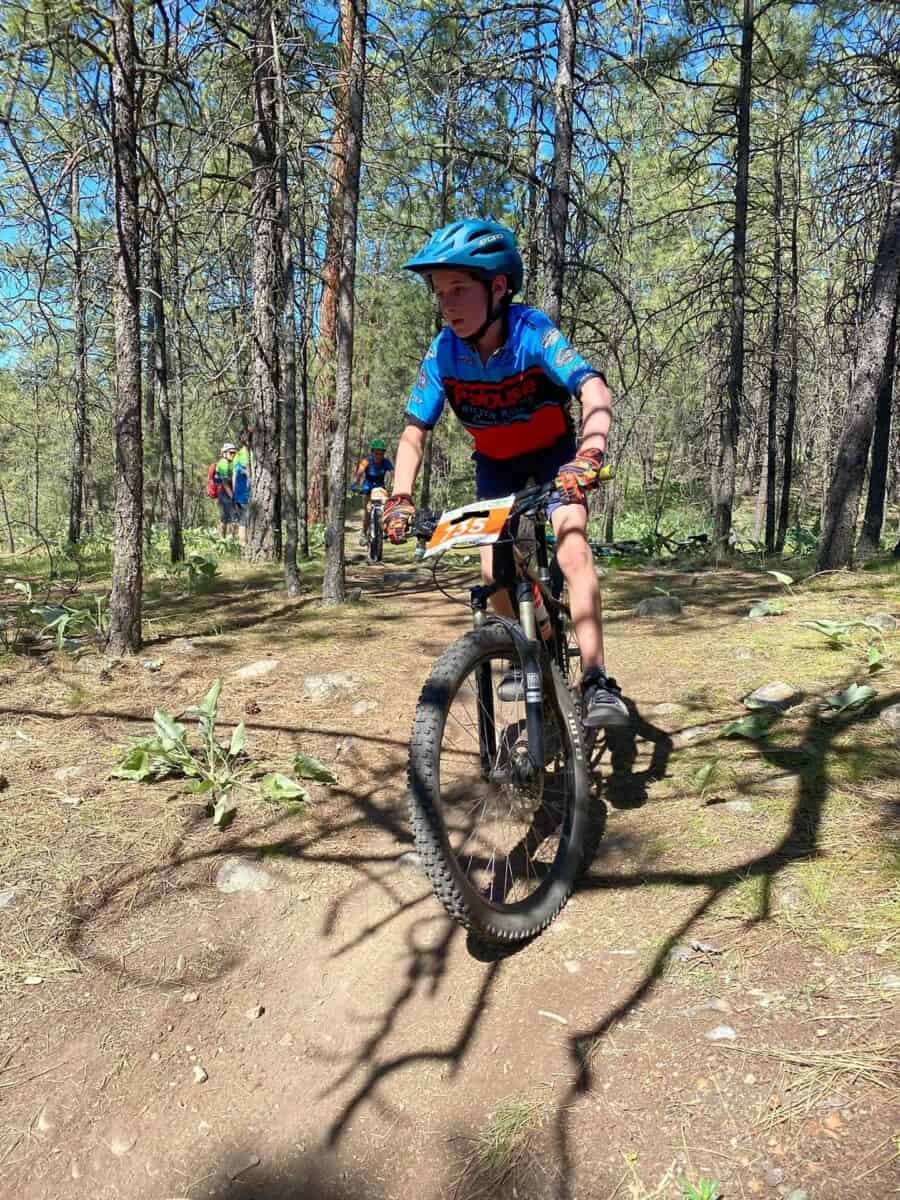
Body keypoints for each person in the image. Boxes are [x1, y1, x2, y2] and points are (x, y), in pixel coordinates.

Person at [382, 218, 628, 728]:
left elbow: (594, 390)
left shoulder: (532, 331)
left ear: (497, 287)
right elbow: (413, 433)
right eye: (439, 292)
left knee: (572, 544)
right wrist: (400, 496)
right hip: (495, 466)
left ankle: (598, 680)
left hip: (554, 458)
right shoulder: (443, 354)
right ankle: (528, 646)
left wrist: (591, 452)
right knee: (494, 576)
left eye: (458, 289)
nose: (447, 303)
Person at [353, 438, 394, 547]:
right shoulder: (366, 461)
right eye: (376, 453)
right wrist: (356, 483)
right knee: (368, 510)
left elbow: (392, 473)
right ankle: (363, 532)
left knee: (386, 506)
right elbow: (360, 472)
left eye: (381, 454)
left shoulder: (386, 462)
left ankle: (385, 529)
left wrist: (395, 484)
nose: (378, 456)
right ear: (372, 452)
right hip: (368, 486)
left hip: (380, 487)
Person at [215, 442, 238, 539]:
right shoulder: (223, 463)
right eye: (230, 452)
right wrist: (233, 497)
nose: (233, 454)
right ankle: (222, 540)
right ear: (224, 453)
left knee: (232, 518)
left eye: (234, 453)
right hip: (224, 493)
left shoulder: (231, 463)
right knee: (225, 518)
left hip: (229, 491)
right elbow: (224, 482)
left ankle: (229, 539)